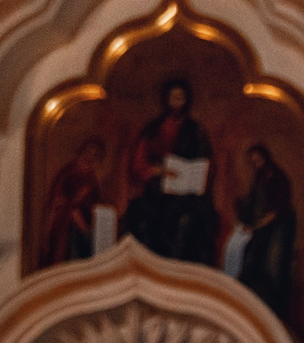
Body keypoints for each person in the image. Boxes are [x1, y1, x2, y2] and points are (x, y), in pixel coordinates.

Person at [123, 79, 217, 265]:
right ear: (166, 99)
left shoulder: (196, 130)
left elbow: (206, 164)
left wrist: (192, 176)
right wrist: (159, 170)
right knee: (139, 216)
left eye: (180, 98)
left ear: (187, 100)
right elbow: (139, 165)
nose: (176, 102)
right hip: (156, 193)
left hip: (188, 194)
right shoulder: (153, 130)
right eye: (173, 97)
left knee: (195, 220)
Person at [229, 142, 297, 326]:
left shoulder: (277, 178)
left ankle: (274, 311)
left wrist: (257, 225)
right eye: (253, 161)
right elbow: (253, 206)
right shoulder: (258, 179)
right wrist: (245, 218)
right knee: (249, 257)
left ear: (266, 158)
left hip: (278, 228)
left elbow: (277, 210)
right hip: (261, 228)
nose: (256, 164)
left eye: (258, 160)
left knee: (272, 265)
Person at [40, 136, 111, 267]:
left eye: (95, 156)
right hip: (65, 230)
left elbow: (94, 206)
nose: (90, 158)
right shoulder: (67, 175)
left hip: (83, 231)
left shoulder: (92, 181)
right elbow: (58, 203)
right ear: (80, 153)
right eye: (88, 153)